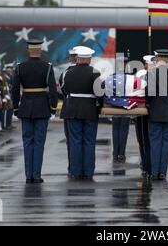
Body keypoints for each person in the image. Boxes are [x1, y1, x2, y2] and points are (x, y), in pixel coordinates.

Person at [11, 39, 58, 184]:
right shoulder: (47, 67)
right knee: (39, 142)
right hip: (42, 108)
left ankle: (28, 175)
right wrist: (53, 107)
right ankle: (36, 175)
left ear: (29, 51)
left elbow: (14, 90)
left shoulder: (20, 67)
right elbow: (53, 90)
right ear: (40, 50)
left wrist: (16, 107)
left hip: (25, 107)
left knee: (27, 142)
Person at [61, 46, 102, 181]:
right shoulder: (95, 72)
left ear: (78, 58)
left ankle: (75, 171)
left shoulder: (69, 72)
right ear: (89, 59)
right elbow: (100, 93)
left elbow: (64, 90)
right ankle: (88, 171)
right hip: (90, 110)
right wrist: (100, 106)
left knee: (75, 141)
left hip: (73, 110)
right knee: (89, 142)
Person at [146, 49, 168, 180]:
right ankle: (162, 172)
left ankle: (154, 172)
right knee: (167, 143)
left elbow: (149, 94)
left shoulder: (152, 73)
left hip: (155, 111)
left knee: (155, 142)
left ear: (157, 57)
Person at [135, 55, 155, 177]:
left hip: (144, 110)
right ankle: (151, 165)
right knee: (152, 140)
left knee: (143, 139)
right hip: (154, 110)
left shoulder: (142, 75)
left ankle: (146, 165)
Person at [59, 48, 78, 173]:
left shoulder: (65, 72)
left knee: (71, 140)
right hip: (85, 109)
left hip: (69, 107)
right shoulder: (91, 70)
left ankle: (72, 166)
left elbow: (63, 90)